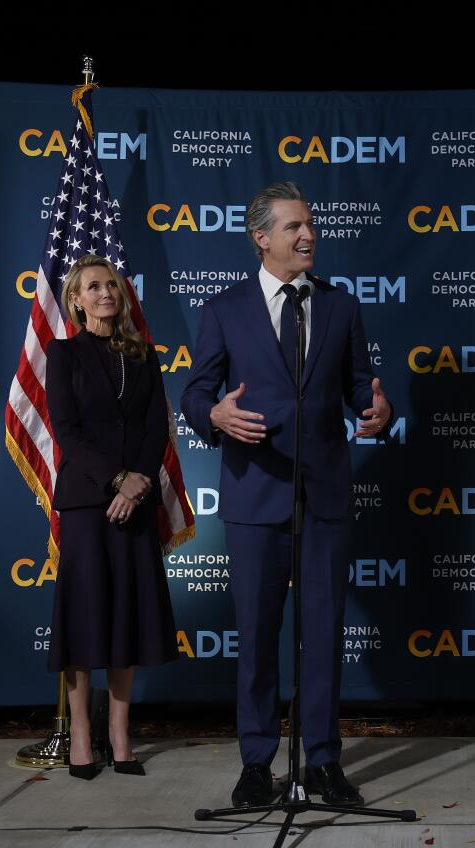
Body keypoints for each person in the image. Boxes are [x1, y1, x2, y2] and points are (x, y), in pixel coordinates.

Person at [181, 181, 392, 808]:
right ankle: (255, 765)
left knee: (323, 636)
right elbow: (196, 392)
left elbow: (362, 385)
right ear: (262, 238)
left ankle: (324, 763)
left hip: (324, 496)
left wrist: (377, 406)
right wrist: (214, 417)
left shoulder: (341, 306)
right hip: (253, 495)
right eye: (295, 226)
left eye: (311, 225)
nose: (308, 236)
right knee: (256, 637)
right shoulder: (223, 309)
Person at [45, 253, 178, 780]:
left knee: (126, 616)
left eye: (113, 286)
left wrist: (139, 481)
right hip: (85, 503)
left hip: (136, 504)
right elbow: (66, 430)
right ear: (76, 299)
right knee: (84, 618)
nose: (106, 293)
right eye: (94, 287)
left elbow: (154, 428)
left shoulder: (144, 356)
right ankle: (82, 735)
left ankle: (121, 735)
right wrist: (115, 480)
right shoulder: (63, 354)